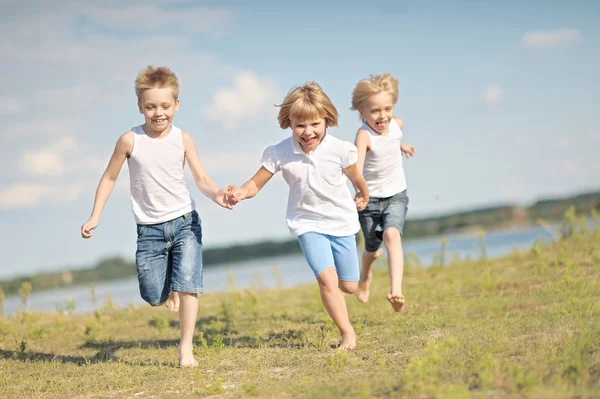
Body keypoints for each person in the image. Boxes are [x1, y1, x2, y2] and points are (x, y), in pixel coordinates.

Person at [80, 65, 231, 367]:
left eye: (165, 106)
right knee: (153, 295)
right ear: (140, 106)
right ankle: (168, 291)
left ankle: (185, 348)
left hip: (185, 222)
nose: (158, 113)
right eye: (150, 106)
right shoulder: (129, 141)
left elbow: (201, 177)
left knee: (189, 285)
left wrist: (216, 195)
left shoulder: (183, 139)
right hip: (149, 230)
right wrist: (95, 215)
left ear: (176, 104)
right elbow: (109, 178)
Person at [227, 82, 369, 350]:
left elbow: (356, 178)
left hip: (342, 222)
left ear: (327, 119)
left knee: (348, 286)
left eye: (315, 124)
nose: (308, 132)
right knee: (327, 280)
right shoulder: (280, 152)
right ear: (289, 123)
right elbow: (255, 184)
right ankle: (347, 333)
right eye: (300, 125)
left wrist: (363, 193)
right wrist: (240, 193)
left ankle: (351, 287)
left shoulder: (341, 150)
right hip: (307, 224)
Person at [350, 73, 416, 312]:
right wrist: (360, 192)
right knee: (372, 250)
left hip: (396, 194)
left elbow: (392, 139)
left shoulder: (395, 124)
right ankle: (364, 278)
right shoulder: (364, 135)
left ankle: (396, 290)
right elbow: (357, 168)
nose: (382, 116)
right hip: (370, 200)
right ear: (362, 112)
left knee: (392, 235)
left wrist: (403, 146)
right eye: (375, 111)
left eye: (387, 108)